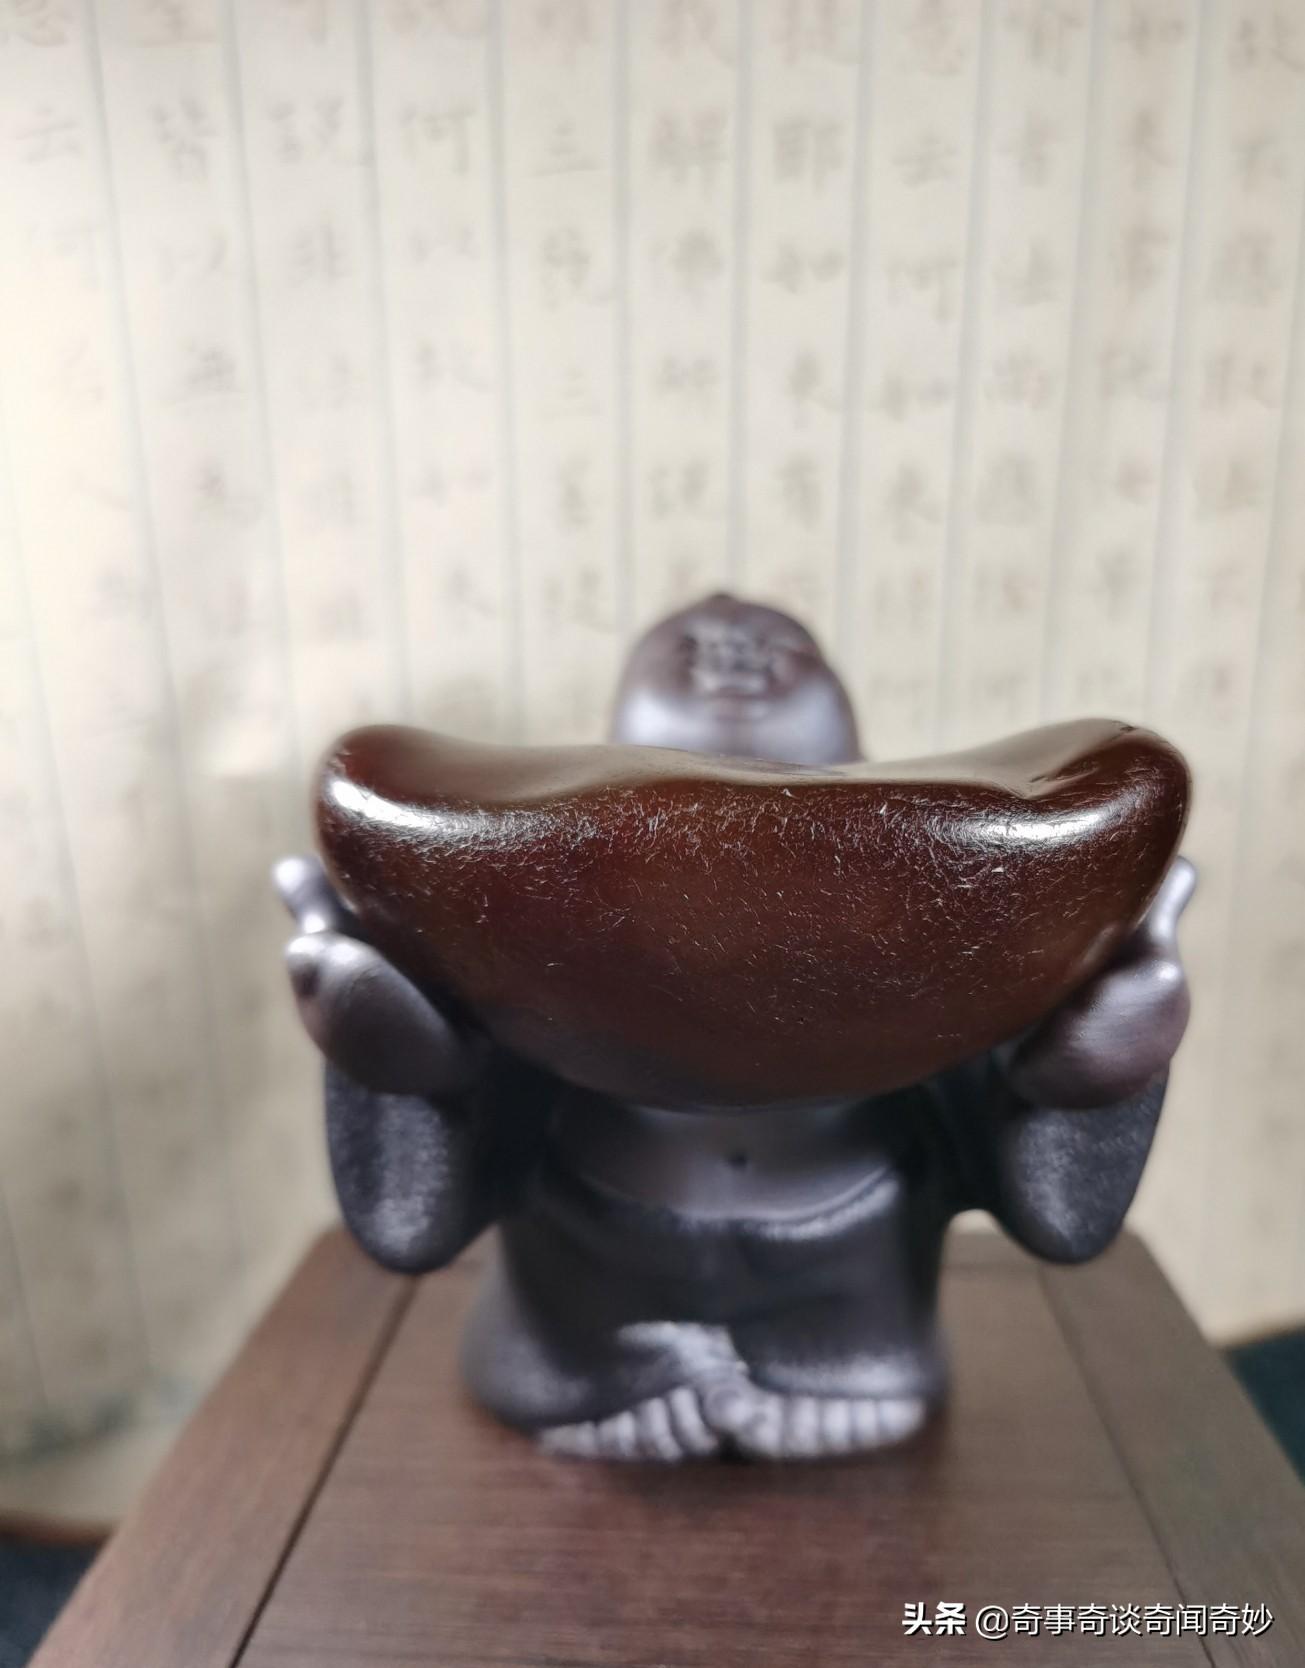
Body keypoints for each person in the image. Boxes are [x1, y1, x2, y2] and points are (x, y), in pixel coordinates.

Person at [275, 592, 1194, 1460]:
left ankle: (829, 1370)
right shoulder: (529, 991)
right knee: (553, 1303)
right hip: (585, 1319)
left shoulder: (946, 980)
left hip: (854, 1318)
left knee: (870, 1327)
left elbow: (1058, 1220)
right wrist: (401, 1062)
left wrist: (1091, 1068)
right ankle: (598, 1376)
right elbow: (412, 1224)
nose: (733, 658)